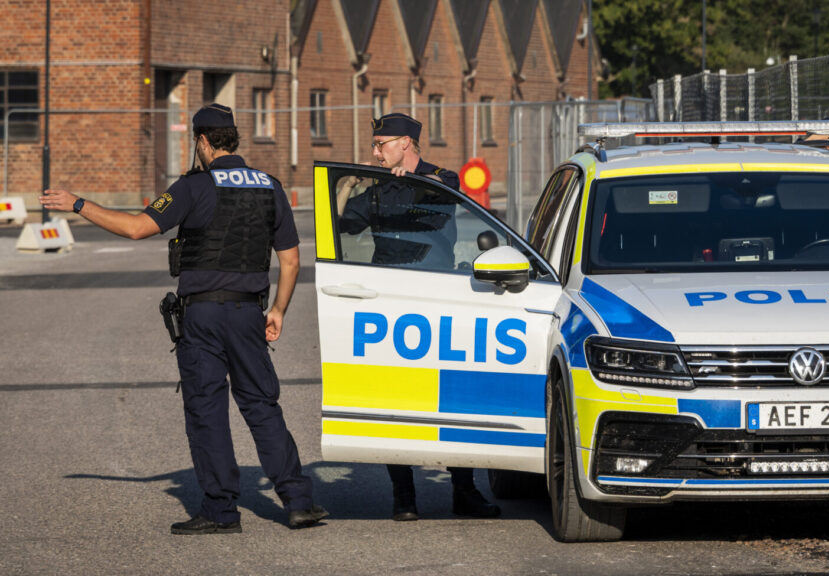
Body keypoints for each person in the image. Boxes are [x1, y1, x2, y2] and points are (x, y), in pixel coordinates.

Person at [40, 103, 327, 534]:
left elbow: (137, 227)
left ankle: (220, 511)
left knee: (207, 409)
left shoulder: (194, 186)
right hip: (249, 312)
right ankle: (298, 501)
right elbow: (290, 262)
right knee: (261, 404)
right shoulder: (270, 186)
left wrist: (79, 203)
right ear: (234, 139)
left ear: (202, 142)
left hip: (204, 316)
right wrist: (278, 311)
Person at [336, 112, 501, 521]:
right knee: (396, 400)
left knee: (454, 397)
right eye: (374, 145)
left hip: (436, 296)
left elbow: (448, 191)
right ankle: (403, 495)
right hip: (390, 301)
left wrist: (403, 179)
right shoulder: (376, 190)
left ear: (406, 144)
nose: (375, 152)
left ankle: (464, 490)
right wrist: (347, 188)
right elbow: (342, 224)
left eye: (382, 144)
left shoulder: (438, 178)